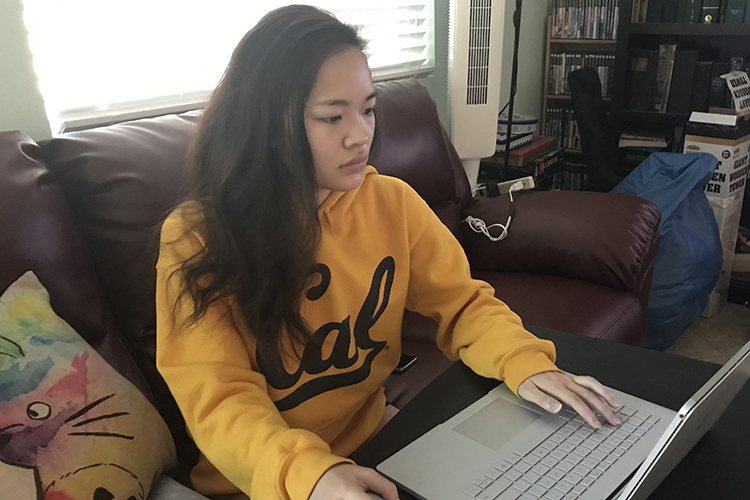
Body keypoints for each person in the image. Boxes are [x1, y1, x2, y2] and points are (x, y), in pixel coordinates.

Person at [155, 5, 621, 500]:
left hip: (373, 442)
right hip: (261, 480)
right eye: (332, 116)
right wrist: (310, 474)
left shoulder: (391, 203)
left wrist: (524, 362)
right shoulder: (195, 238)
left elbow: (462, 304)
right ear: (268, 124)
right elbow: (218, 398)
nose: (361, 135)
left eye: (368, 109)